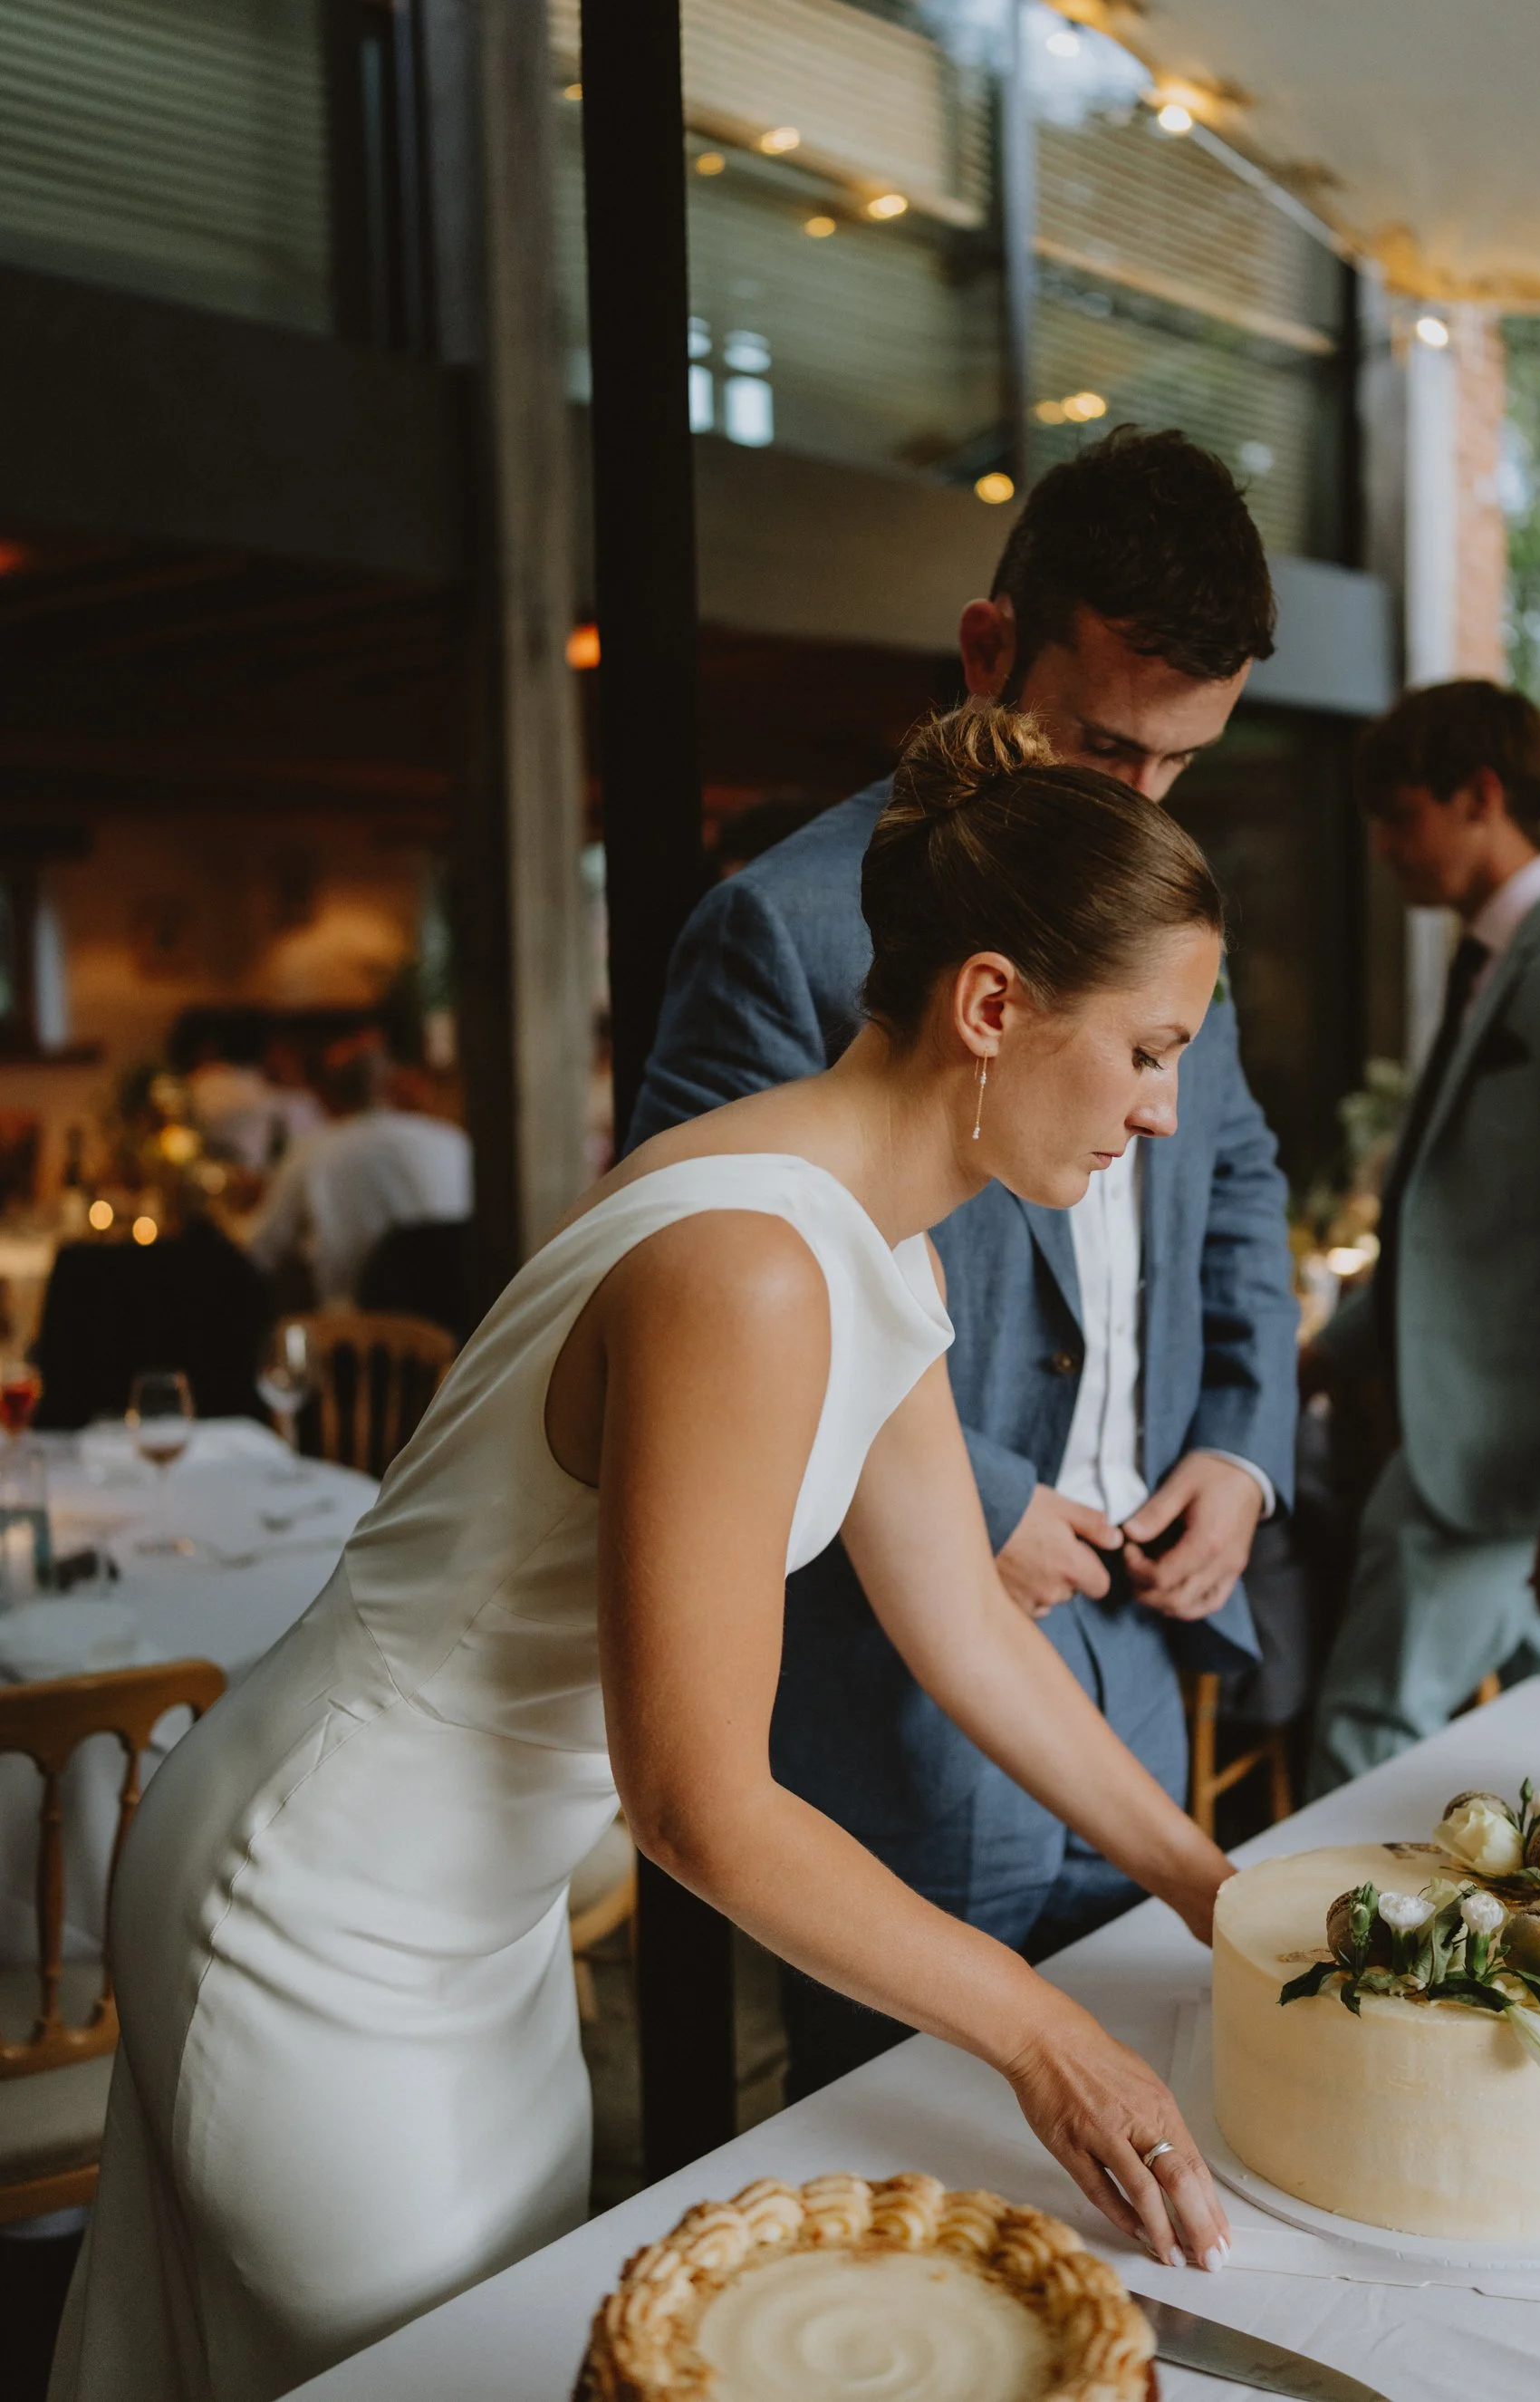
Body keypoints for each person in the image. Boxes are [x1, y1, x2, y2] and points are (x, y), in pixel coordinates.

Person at [54, 709, 1235, 2402]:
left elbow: (966, 1629)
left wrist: (1213, 1886)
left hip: (490, 1901)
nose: (1166, 1108)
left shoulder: (873, 1236)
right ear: (993, 1005)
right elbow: (696, 1802)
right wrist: (1046, 2031)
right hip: (322, 1899)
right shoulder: (750, 1266)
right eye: (1146, 1047)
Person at [629, 427, 1299, 2090]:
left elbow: (1235, 1173)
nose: (1131, 804)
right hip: (900, 1686)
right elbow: (735, 1356)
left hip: (1124, 1656)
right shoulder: (780, 952)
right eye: (1100, 744)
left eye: (1176, 766)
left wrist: (1240, 1443)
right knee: (904, 2134)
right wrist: (988, 1500)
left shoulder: (1159, 919)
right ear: (989, 653)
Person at [1308, 680, 1540, 1789]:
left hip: (1496, 1457)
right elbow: (1473, 1223)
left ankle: (1314, 1957)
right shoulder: (1488, 956)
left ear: (1482, 796)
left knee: (1362, 1730)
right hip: (1503, 1449)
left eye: (1403, 815)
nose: (1388, 848)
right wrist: (1343, 1343)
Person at [249, 1035, 472, 1305]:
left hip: (359, 1334)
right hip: (463, 1319)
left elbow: (261, 1252)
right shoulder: (454, 1142)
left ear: (326, 1095)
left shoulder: (311, 1153)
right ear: (394, 1085)